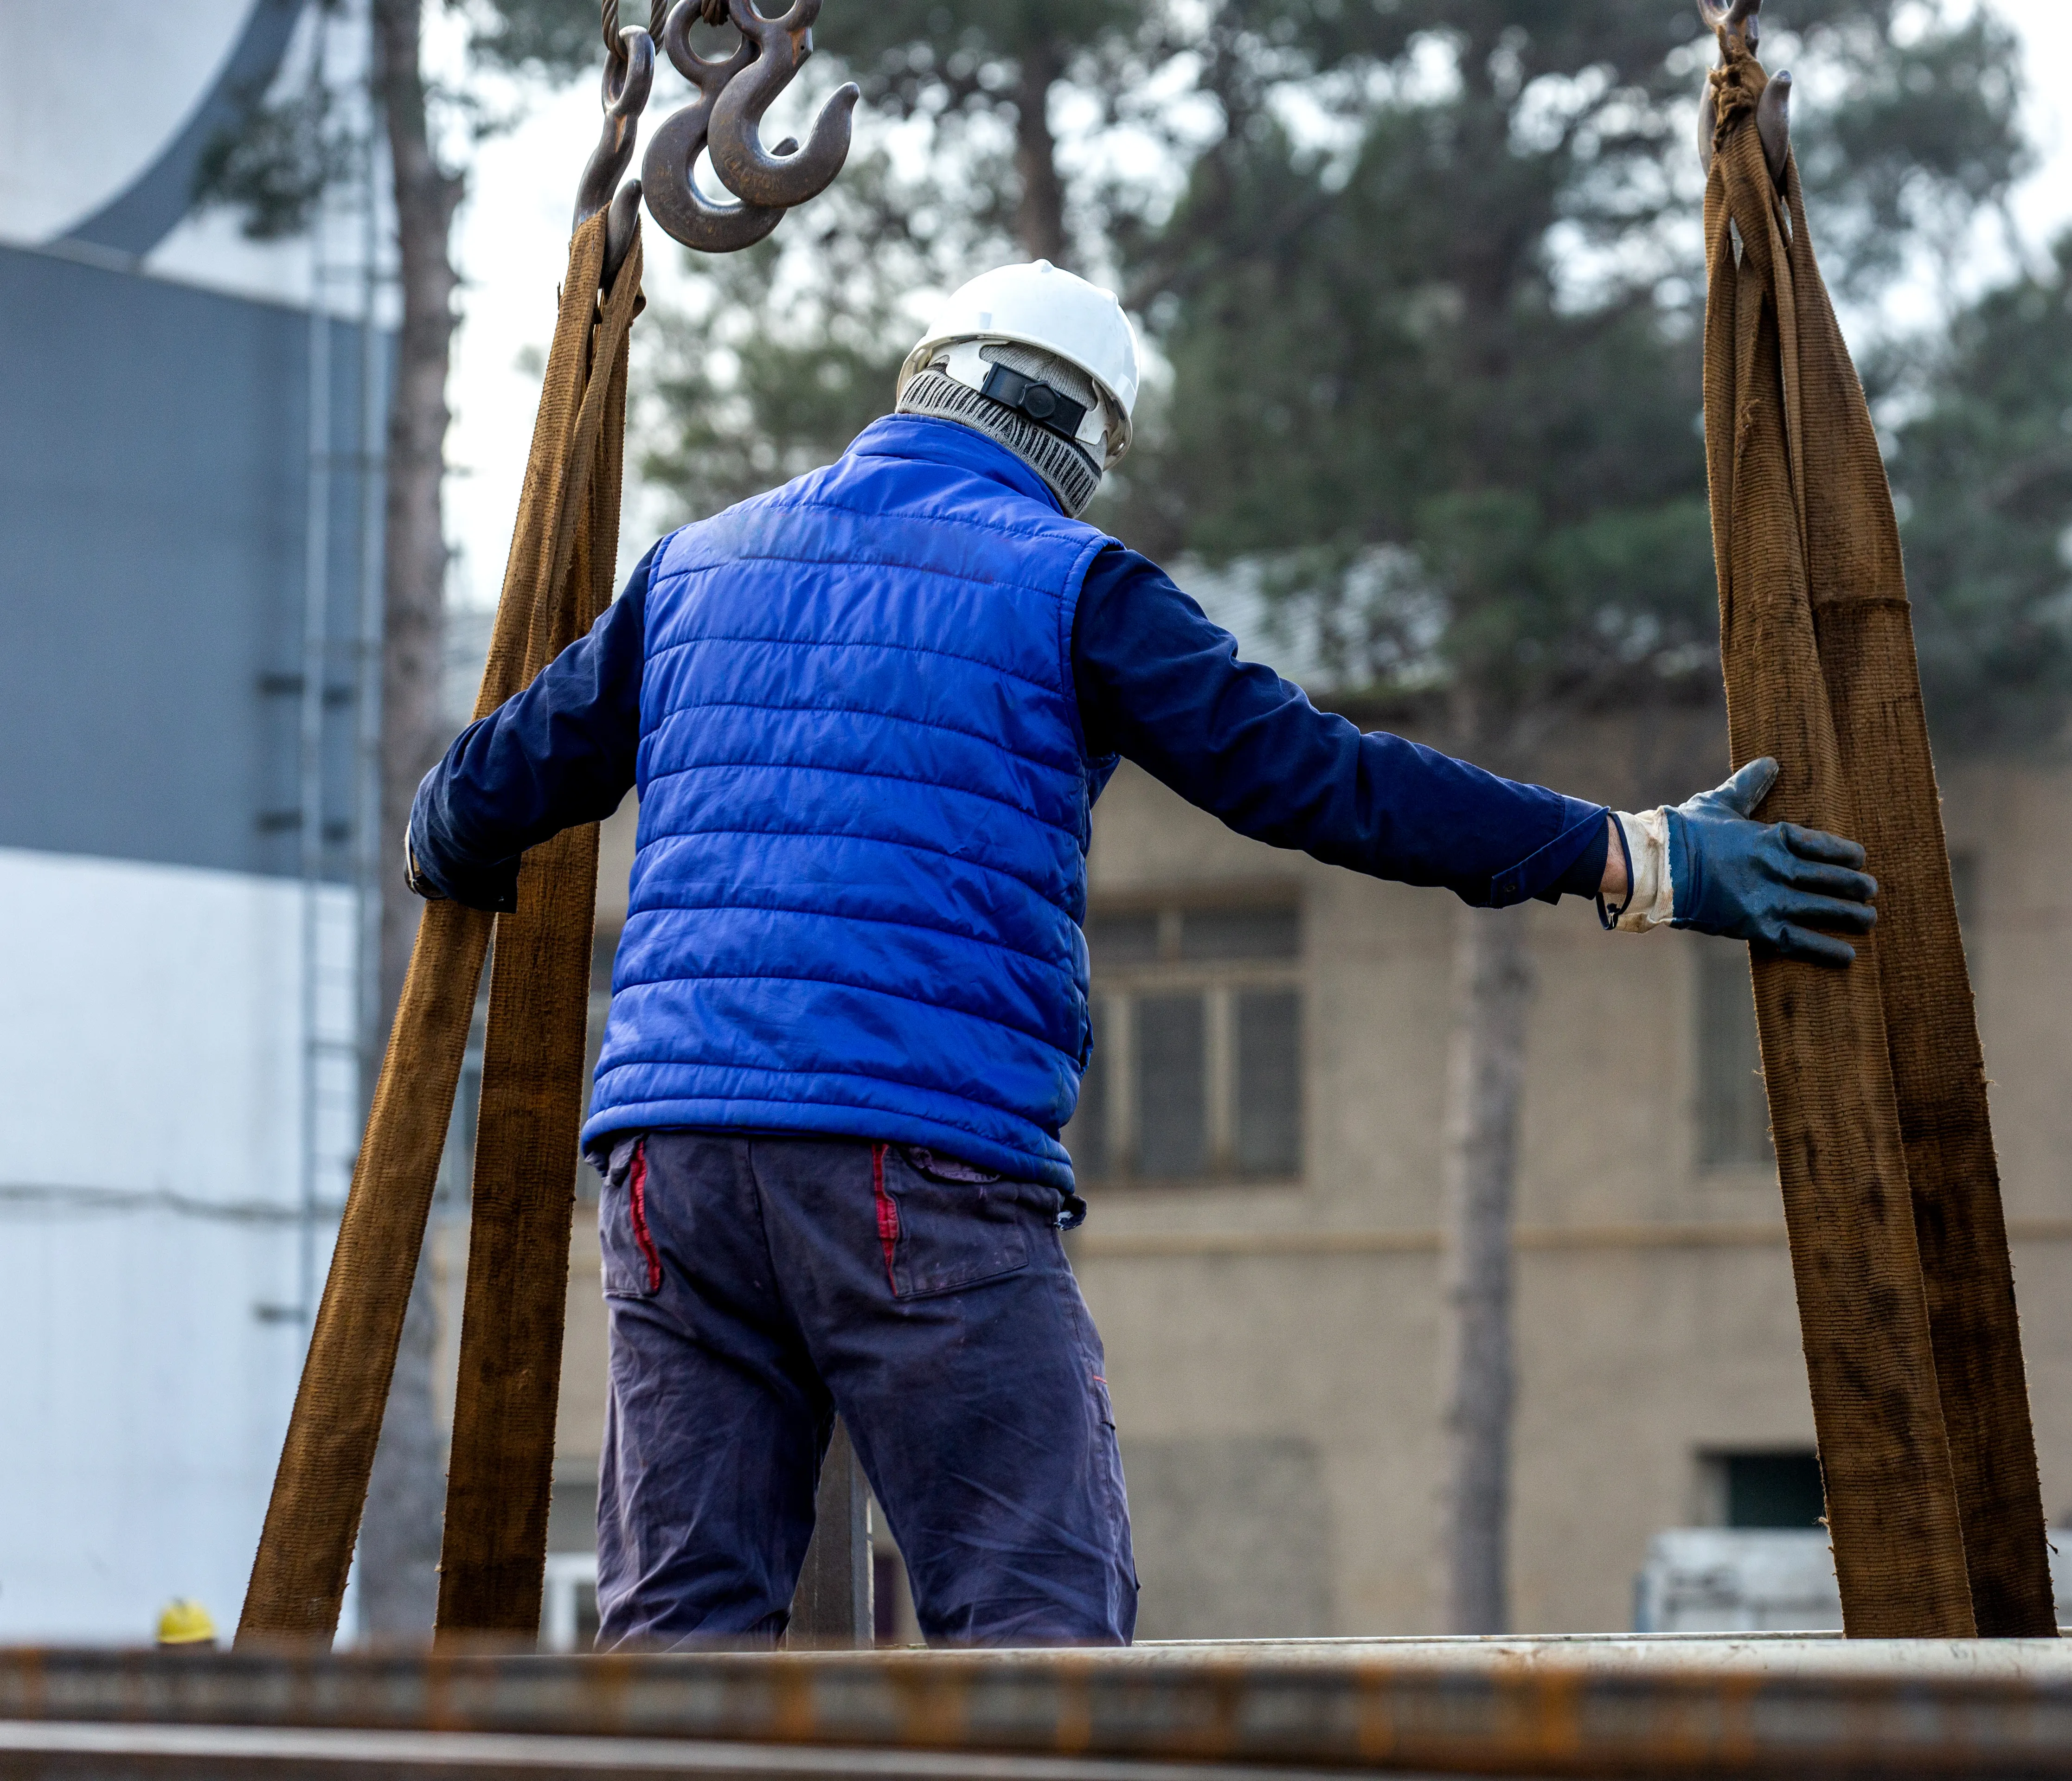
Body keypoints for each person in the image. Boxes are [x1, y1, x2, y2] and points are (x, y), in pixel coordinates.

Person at [405, 261, 1878, 1650]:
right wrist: (1634, 857)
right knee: (1035, 1615)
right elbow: (1318, 778)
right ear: (1085, 444)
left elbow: (471, 808)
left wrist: (452, 845)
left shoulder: (689, 572)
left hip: (673, 1171)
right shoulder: (1070, 582)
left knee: (681, 1629)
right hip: (911, 1161)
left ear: (922, 381)